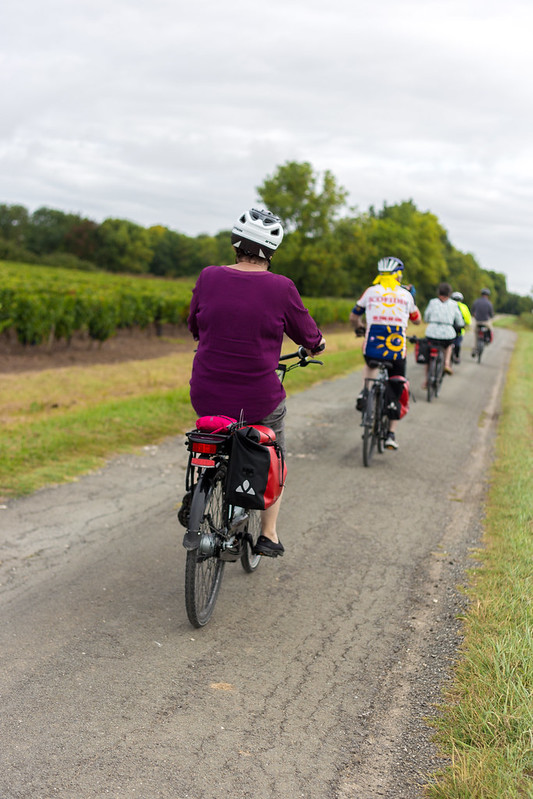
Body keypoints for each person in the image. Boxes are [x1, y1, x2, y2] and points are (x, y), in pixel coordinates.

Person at [187, 208, 325, 558]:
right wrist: (316, 345)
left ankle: (196, 494)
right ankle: (269, 533)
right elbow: (309, 336)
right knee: (273, 447)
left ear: (235, 242)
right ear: (272, 250)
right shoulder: (282, 287)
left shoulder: (208, 277)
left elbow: (194, 326)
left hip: (206, 391)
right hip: (258, 398)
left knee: (210, 435)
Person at [349, 256, 421, 450]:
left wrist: (359, 327)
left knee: (370, 362)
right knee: (397, 383)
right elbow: (417, 320)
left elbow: (354, 315)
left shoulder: (370, 291)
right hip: (396, 349)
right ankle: (390, 433)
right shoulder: (406, 295)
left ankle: (365, 393)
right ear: (398, 275)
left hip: (372, 346)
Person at [423, 283, 465, 382]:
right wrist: (461, 325)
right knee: (449, 345)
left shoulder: (432, 302)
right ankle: (446, 363)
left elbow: (426, 317)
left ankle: (426, 381)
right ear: (449, 294)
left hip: (431, 332)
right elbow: (459, 320)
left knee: (429, 357)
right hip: (447, 332)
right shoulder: (453, 304)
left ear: (438, 292)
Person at [471, 288, 494, 356]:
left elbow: (472, 311)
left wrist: (475, 315)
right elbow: (491, 314)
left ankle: (475, 348)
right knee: (491, 329)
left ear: (481, 294)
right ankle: (488, 340)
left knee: (476, 334)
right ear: (488, 295)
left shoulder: (476, 301)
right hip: (485, 322)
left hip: (477, 322)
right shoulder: (489, 303)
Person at [450, 291, 472, 364]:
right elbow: (468, 320)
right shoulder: (464, 307)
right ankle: (457, 356)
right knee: (458, 343)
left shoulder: (449, 305)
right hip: (459, 330)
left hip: (449, 328)